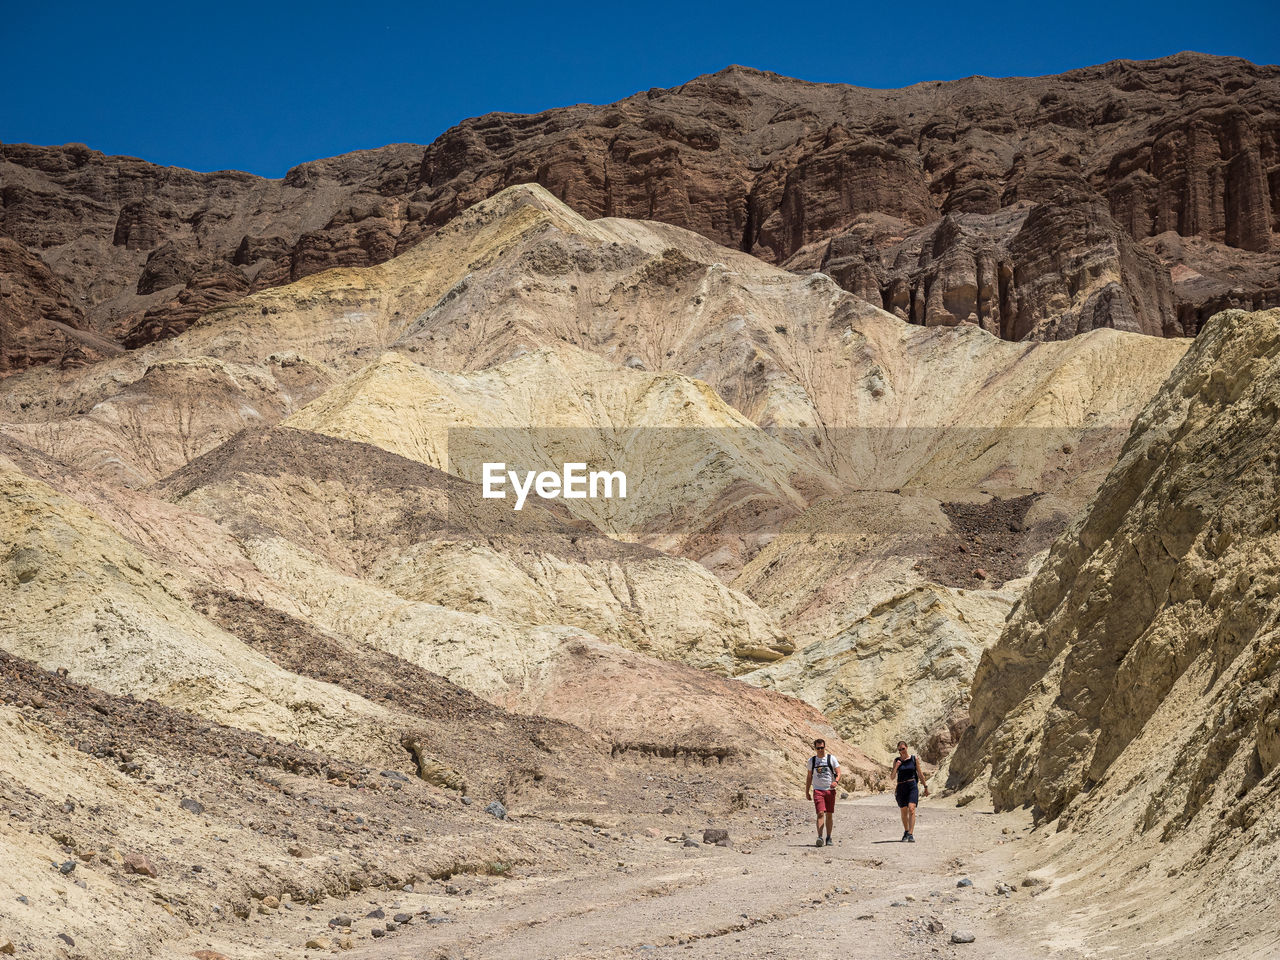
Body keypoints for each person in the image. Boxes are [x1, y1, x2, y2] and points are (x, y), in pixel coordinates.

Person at [804, 738, 840, 847]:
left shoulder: (831, 759)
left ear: (825, 747)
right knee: (820, 813)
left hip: (830, 791)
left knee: (829, 814)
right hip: (818, 790)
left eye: (822, 748)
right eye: (818, 748)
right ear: (815, 748)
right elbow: (809, 777)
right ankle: (820, 837)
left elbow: (838, 772)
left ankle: (828, 837)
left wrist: (836, 782)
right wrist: (807, 791)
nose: (820, 750)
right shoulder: (812, 761)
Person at [891, 740, 929, 841]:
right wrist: (896, 767)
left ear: (907, 747)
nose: (901, 751)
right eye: (899, 750)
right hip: (901, 787)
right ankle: (906, 831)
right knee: (904, 810)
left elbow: (920, 774)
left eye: (903, 749)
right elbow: (892, 776)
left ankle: (911, 834)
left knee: (911, 808)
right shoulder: (897, 760)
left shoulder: (913, 759)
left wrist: (925, 786)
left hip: (912, 785)